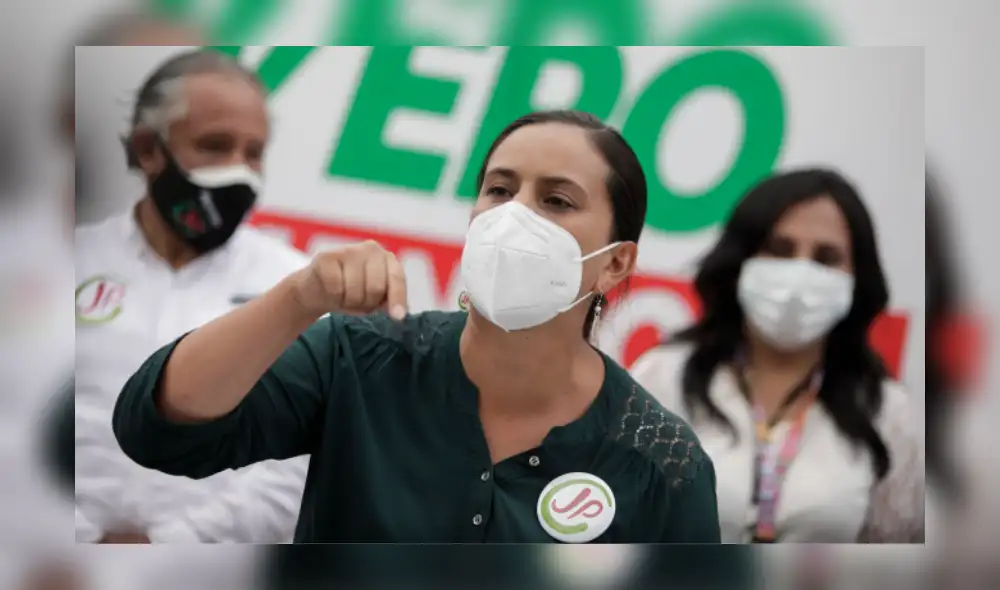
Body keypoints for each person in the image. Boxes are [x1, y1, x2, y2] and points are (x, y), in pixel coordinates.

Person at [111, 109, 721, 544]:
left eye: (556, 201)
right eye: (499, 189)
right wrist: (298, 298)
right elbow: (158, 430)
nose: (513, 216)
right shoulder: (365, 354)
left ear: (616, 262)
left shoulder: (662, 461)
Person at [75, 49, 311, 543]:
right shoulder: (68, 259)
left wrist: (170, 545)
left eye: (253, 153)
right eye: (215, 145)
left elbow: (297, 464)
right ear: (147, 149)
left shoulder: (295, 288)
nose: (239, 172)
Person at [631, 168, 924, 543]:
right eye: (780, 249)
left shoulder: (888, 413)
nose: (799, 273)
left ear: (857, 279)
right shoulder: (662, 378)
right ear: (739, 262)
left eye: (826, 257)